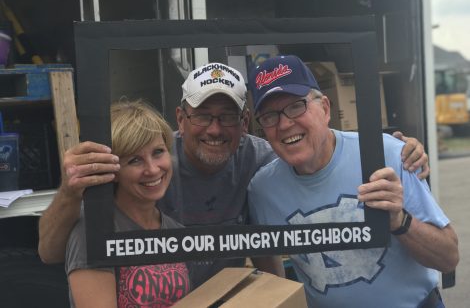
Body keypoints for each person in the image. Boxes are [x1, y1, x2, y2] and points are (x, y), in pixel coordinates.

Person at [38, 62, 429, 288]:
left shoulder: (263, 159)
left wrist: (392, 149)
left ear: (244, 122)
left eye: (226, 116)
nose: (214, 128)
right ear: (181, 118)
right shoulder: (150, 162)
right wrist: (71, 193)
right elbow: (51, 252)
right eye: (203, 115)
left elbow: (318, 157)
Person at [246, 55, 459, 308]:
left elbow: (448, 257)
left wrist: (399, 221)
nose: (284, 124)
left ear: (325, 108)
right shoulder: (263, 190)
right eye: (269, 116)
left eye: (296, 106)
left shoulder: (387, 155)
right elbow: (269, 273)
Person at [65, 99, 191, 307]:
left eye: (158, 152)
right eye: (134, 160)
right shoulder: (93, 232)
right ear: (112, 171)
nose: (152, 169)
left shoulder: (173, 229)